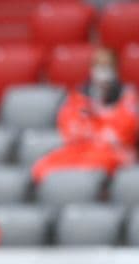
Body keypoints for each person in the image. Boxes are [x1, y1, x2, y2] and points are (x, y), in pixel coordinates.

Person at [32, 47, 138, 183]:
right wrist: (98, 123)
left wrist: (97, 120)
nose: (103, 71)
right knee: (43, 166)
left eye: (107, 66)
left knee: (89, 170)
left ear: (116, 69)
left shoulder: (127, 95)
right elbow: (70, 128)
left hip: (112, 152)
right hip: (79, 149)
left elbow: (124, 133)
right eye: (99, 66)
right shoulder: (80, 95)